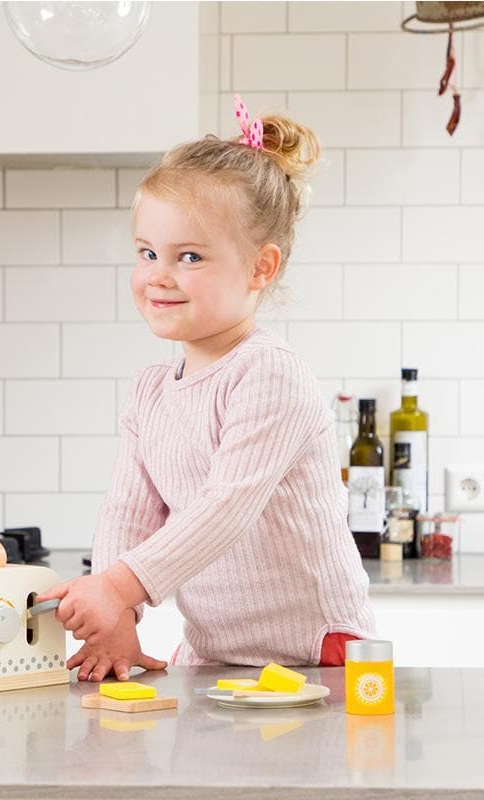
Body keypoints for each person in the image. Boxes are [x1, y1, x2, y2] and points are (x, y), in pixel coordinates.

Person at [34, 95, 375, 682]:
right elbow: (128, 510)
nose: (158, 276)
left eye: (189, 256)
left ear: (260, 268)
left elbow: (226, 509)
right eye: (147, 253)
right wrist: (123, 613)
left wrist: (117, 586)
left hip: (316, 652)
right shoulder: (150, 391)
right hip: (215, 652)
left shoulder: (268, 372)